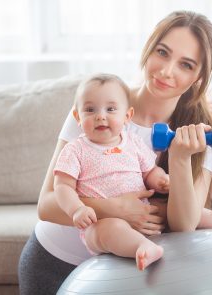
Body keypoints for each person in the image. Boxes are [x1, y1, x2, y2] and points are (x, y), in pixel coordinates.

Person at [18, 10, 212, 295]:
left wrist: (179, 158)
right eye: (162, 52)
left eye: (185, 65)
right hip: (54, 262)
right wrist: (116, 208)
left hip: (125, 276)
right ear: (148, 48)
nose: (166, 71)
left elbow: (185, 224)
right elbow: (48, 205)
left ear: (199, 78)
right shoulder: (99, 108)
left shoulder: (200, 137)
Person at [54, 73, 167, 271]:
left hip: (141, 213)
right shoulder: (75, 149)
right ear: (77, 117)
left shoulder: (133, 142)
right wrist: (77, 209)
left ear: (127, 116)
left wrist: (161, 180)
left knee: (182, 207)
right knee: (111, 229)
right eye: (90, 110)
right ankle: (142, 246)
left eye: (111, 109)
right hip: (100, 223)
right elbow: (62, 186)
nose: (100, 116)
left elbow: (149, 170)